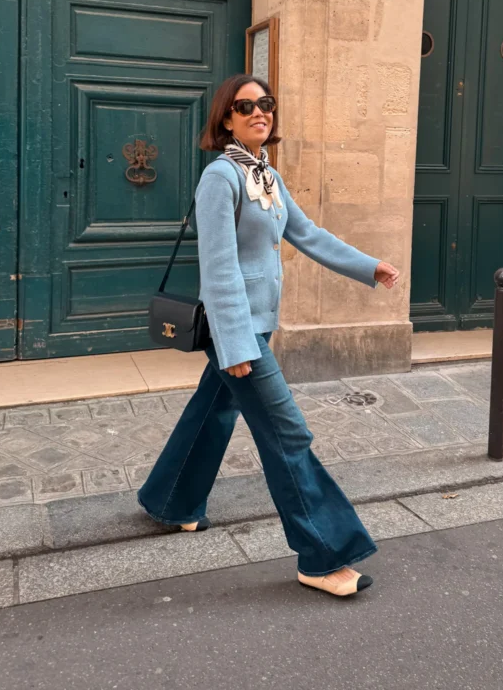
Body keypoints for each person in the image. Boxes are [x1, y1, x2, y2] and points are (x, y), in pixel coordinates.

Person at [138, 74, 399, 597]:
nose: (260, 112)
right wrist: (234, 344)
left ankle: (170, 500)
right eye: (246, 106)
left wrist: (368, 266)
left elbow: (308, 234)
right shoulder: (221, 177)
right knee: (288, 435)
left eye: (266, 103)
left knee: (212, 412)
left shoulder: (266, 175)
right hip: (238, 331)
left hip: (258, 324)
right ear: (226, 118)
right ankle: (322, 556)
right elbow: (218, 267)